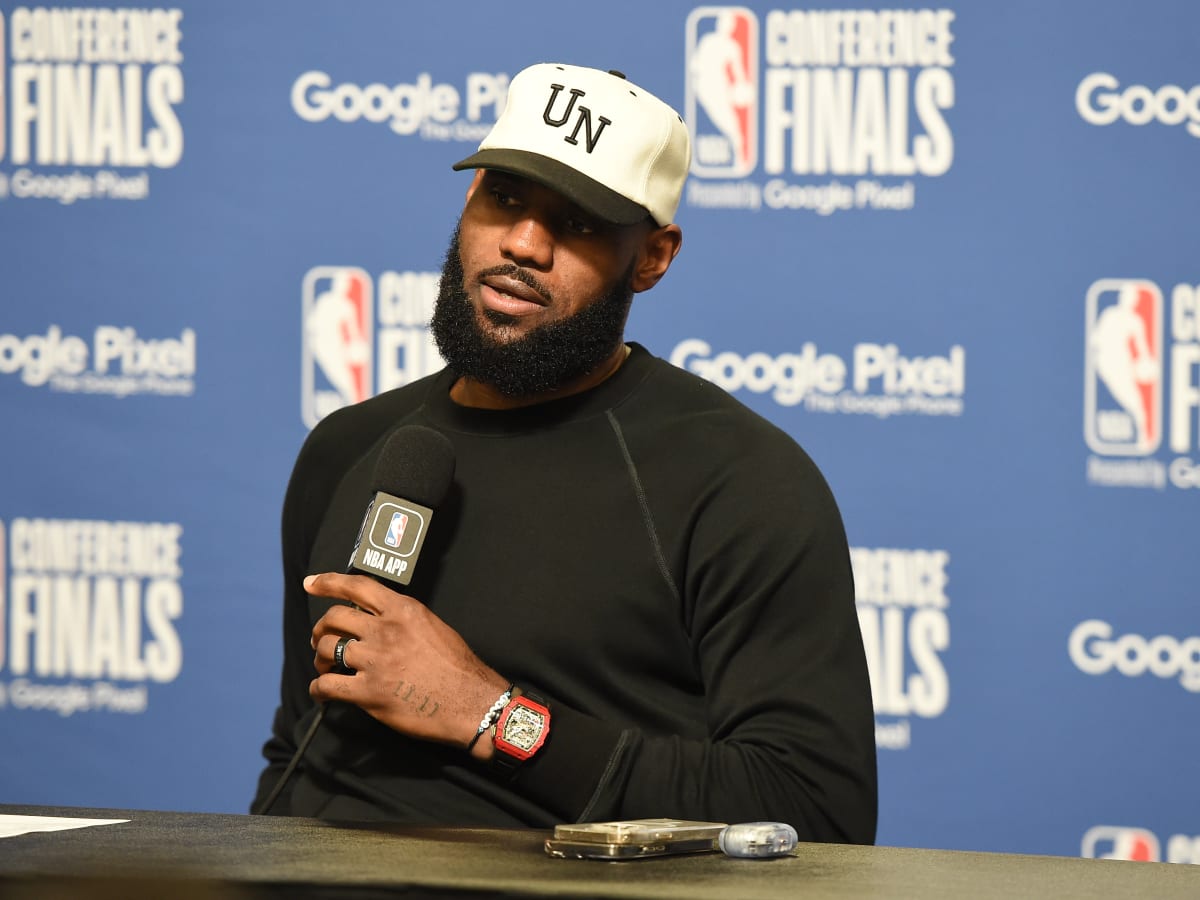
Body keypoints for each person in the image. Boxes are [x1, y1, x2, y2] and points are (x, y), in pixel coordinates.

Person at [253, 62, 877, 843]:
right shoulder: (349, 448)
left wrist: (491, 714)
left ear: (652, 257)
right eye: (506, 199)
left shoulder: (740, 481)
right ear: (469, 199)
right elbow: (297, 747)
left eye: (578, 222)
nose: (523, 244)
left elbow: (816, 813)